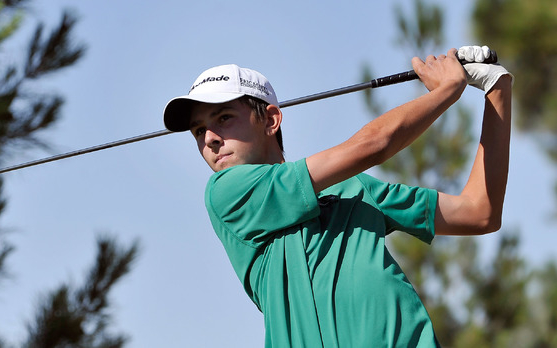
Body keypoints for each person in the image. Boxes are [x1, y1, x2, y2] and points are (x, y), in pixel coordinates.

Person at [163, 46, 512, 347]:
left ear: (270, 119)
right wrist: (446, 90)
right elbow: (372, 146)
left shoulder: (355, 189)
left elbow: (479, 212)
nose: (209, 138)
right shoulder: (227, 192)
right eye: (198, 130)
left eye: (223, 118)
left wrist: (497, 88)